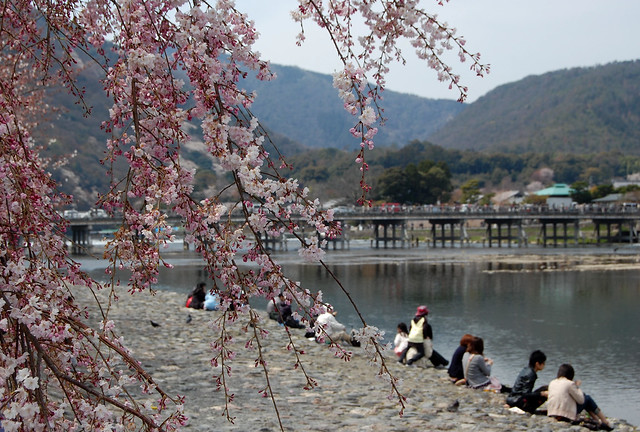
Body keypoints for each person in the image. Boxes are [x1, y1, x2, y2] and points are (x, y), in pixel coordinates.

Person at [547, 364, 613, 431]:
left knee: (586, 401)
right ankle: (604, 421)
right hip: (565, 415)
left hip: (551, 413)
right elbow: (581, 400)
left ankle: (597, 420)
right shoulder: (569, 384)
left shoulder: (552, 382)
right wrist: (577, 386)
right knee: (587, 398)